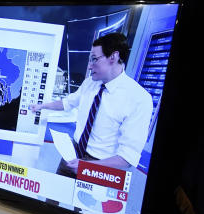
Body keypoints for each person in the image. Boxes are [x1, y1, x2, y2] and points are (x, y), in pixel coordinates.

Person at [31, 33, 153, 177]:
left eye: (94, 59)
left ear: (113, 57)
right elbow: (67, 103)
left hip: (102, 167)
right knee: (52, 196)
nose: (89, 66)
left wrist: (86, 166)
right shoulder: (90, 83)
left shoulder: (139, 99)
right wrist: (42, 106)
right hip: (72, 153)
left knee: (83, 200)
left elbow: (127, 158)